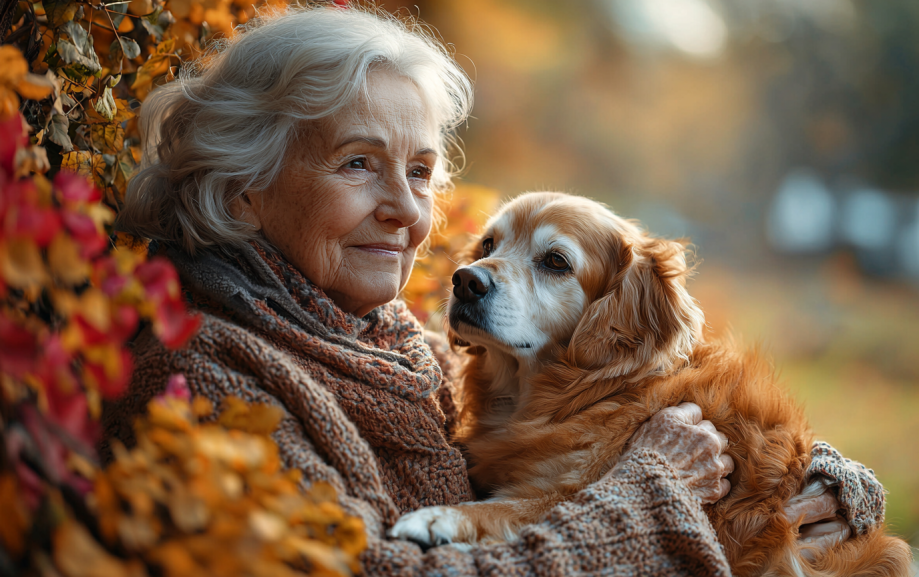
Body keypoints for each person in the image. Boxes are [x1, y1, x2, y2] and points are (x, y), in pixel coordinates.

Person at [102, 5, 881, 575]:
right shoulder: (202, 375)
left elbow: (590, 437)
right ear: (245, 189)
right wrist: (651, 496)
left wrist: (820, 485)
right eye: (356, 163)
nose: (408, 212)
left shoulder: (395, 346)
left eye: (417, 172)